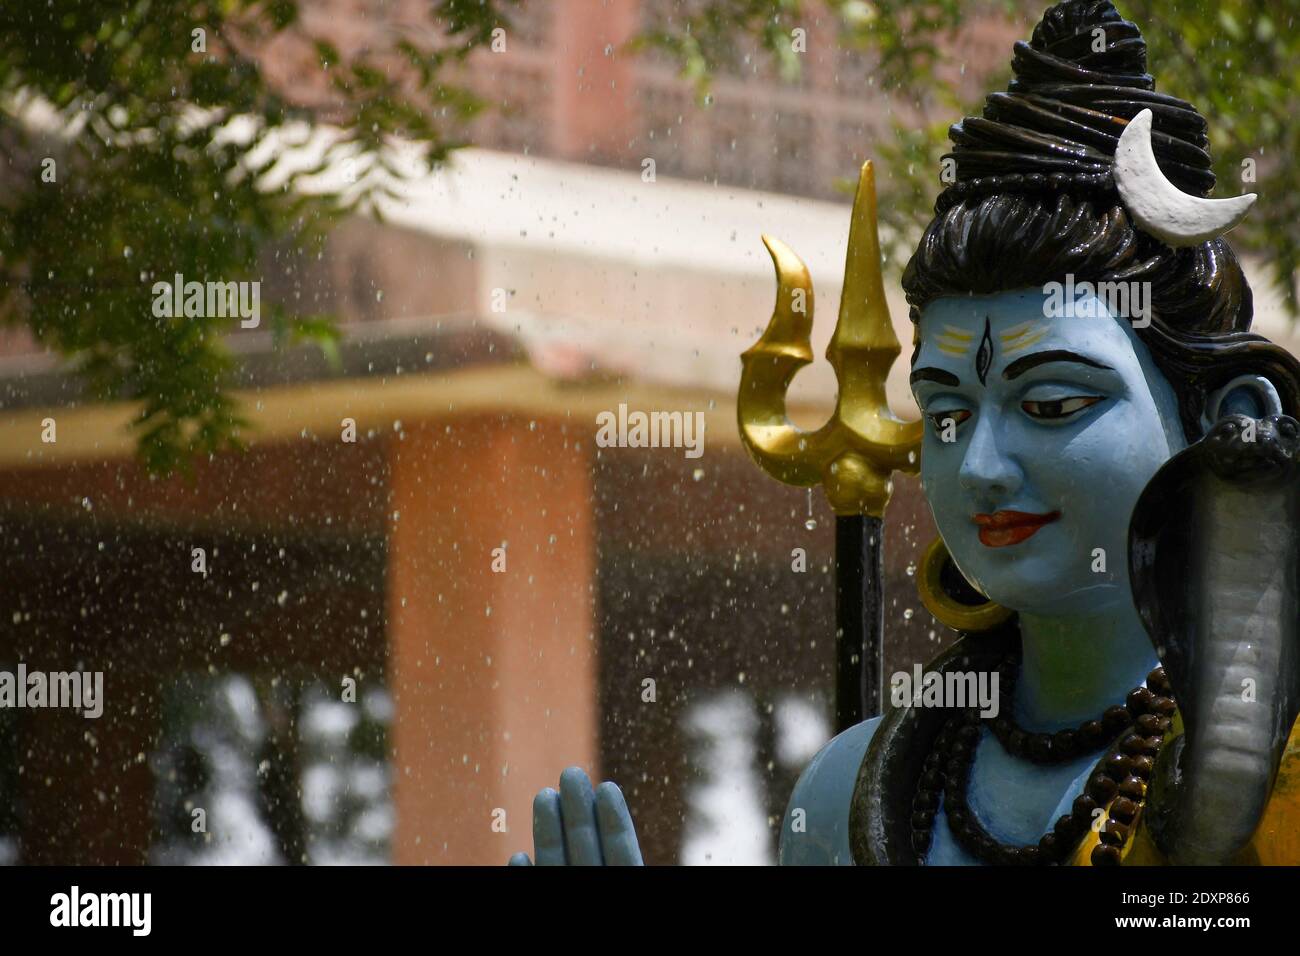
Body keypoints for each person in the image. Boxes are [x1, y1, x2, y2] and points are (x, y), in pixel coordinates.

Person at [506, 0, 1300, 866]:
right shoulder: (845, 795)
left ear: (1230, 422)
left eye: (1052, 405)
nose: (983, 468)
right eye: (949, 414)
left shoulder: (1278, 775)